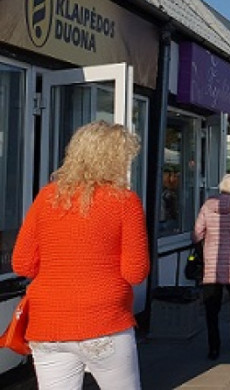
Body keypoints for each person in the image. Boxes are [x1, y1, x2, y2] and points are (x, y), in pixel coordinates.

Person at [13, 121, 149, 389]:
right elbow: (136, 272)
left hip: (48, 323)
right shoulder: (125, 201)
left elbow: (22, 264)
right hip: (103, 321)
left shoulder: (47, 197)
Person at [194, 174, 230, 360]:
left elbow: (196, 234)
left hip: (211, 263)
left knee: (212, 307)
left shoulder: (207, 206)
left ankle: (214, 347)